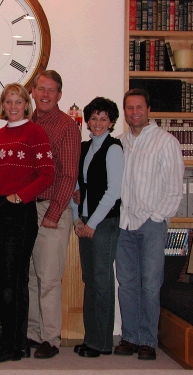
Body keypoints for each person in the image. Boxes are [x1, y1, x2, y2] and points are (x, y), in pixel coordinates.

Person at [0, 83, 54, 363]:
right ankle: (10, 341)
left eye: (18, 101)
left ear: (26, 104)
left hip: (19, 212)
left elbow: (47, 175)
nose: (13, 106)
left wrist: (19, 197)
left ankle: (16, 344)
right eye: (8, 101)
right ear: (3, 104)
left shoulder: (36, 132)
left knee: (14, 280)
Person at [114, 88, 184, 360]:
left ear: (148, 109)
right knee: (127, 283)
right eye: (129, 108)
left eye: (139, 107)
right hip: (125, 224)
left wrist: (157, 217)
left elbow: (174, 188)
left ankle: (147, 340)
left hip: (151, 224)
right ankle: (130, 336)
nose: (134, 113)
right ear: (125, 111)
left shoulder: (166, 142)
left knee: (150, 284)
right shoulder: (120, 142)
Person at [28, 70, 81, 358]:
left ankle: (51, 339)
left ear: (59, 95)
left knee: (48, 278)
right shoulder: (26, 123)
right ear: (33, 91)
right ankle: (34, 333)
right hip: (27, 210)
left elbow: (69, 174)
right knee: (32, 277)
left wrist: (54, 212)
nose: (45, 94)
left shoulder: (66, 127)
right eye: (41, 89)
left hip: (51, 209)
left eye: (51, 90)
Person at [70, 97, 124, 358]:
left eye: (104, 118)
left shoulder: (114, 148)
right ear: (88, 121)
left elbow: (113, 191)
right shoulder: (84, 147)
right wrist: (78, 217)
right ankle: (91, 338)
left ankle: (102, 342)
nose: (98, 123)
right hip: (86, 222)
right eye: (94, 118)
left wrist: (91, 224)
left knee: (102, 283)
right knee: (90, 281)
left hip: (104, 224)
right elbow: (77, 184)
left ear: (112, 121)